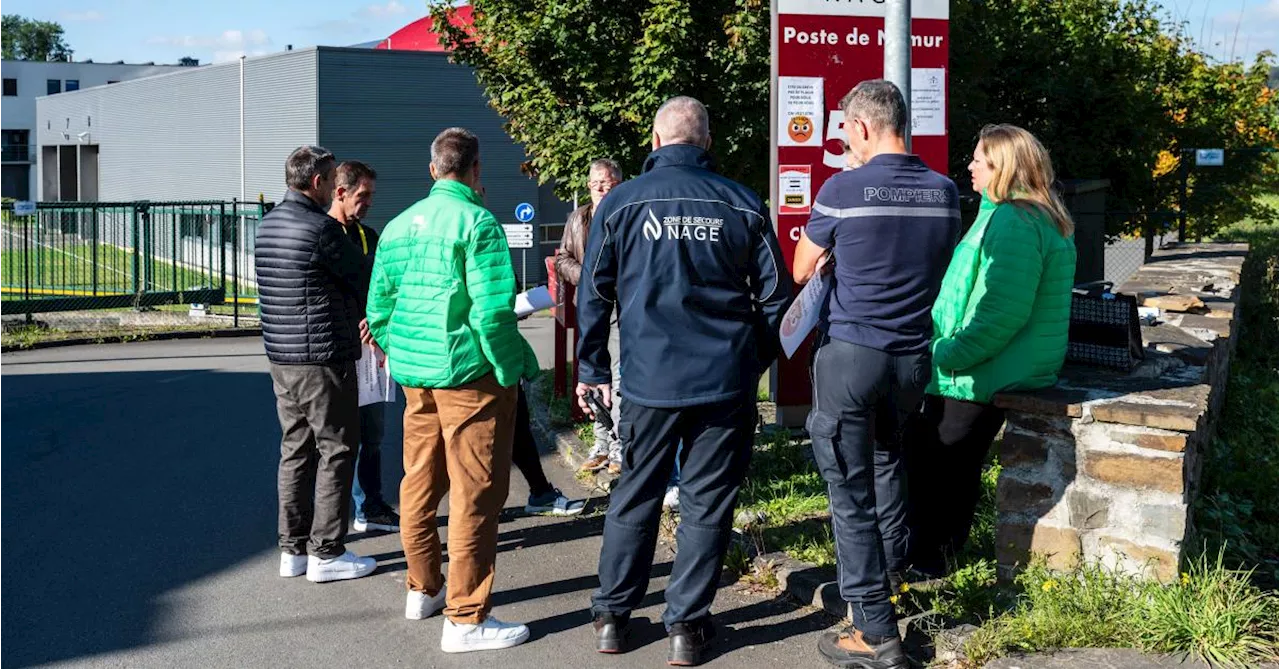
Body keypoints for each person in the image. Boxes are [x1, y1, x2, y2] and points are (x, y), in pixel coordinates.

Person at [577, 96, 792, 666]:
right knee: (706, 502)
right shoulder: (743, 204)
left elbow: (593, 293)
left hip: (647, 380)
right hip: (723, 381)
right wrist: (753, 361)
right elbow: (776, 297)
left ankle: (612, 619)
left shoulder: (620, 204)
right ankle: (686, 628)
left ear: (654, 142)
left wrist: (593, 367)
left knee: (636, 493)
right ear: (707, 143)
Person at [791, 80, 961, 669]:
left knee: (848, 490)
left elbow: (801, 267)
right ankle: (888, 575)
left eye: (843, 131)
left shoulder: (842, 188)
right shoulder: (945, 192)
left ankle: (873, 628)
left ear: (862, 127)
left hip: (852, 356)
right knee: (889, 462)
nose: (843, 142)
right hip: (913, 359)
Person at [366, 127, 538, 654]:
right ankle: (466, 618)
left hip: (416, 375)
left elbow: (379, 311)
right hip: (469, 377)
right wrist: (514, 367)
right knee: (476, 493)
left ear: (433, 169)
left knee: (418, 480)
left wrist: (406, 352)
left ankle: (424, 587)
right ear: (475, 169)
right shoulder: (478, 222)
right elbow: (492, 313)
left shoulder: (396, 226)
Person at [905, 124, 1076, 576]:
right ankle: (933, 558)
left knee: (939, 468)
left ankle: (927, 564)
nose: (970, 166)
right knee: (947, 468)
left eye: (979, 158)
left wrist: (946, 354)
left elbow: (1002, 312)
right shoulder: (1020, 214)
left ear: (1003, 166)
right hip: (993, 365)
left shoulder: (1015, 220)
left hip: (979, 371)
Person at [255, 145, 378, 584]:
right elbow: (362, 276)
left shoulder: (266, 225)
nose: (332, 188)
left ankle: (293, 549)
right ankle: (327, 551)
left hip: (281, 357)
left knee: (295, 450)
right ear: (316, 183)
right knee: (339, 448)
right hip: (323, 356)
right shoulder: (322, 229)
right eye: (329, 180)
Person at [326, 160, 401, 534]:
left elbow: (384, 290)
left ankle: (368, 505)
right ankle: (335, 516)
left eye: (370, 195)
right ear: (340, 192)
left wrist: (378, 321)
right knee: (339, 439)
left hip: (370, 354)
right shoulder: (322, 235)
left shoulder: (370, 236)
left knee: (373, 434)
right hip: (336, 352)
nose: (368, 202)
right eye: (362, 195)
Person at [555, 158, 625, 476]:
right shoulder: (578, 218)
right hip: (590, 305)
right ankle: (601, 443)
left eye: (607, 181)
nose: (600, 187)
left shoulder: (627, 213)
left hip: (621, 308)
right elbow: (563, 258)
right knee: (594, 377)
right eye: (595, 182)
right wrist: (586, 276)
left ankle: (620, 445)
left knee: (620, 376)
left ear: (619, 184)